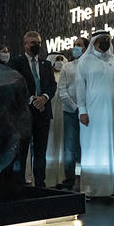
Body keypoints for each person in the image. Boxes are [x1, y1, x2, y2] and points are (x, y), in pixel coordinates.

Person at [76, 30, 114, 199]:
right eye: (102, 39)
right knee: (92, 148)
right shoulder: (85, 61)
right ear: (95, 41)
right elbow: (80, 88)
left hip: (112, 114)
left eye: (107, 39)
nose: (105, 42)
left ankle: (110, 189)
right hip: (92, 113)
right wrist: (82, 111)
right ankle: (89, 190)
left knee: (110, 148)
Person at [11, 31, 56, 187]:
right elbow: (16, 85)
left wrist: (44, 97)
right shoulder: (16, 63)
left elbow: (52, 85)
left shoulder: (46, 64)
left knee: (40, 151)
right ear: (25, 44)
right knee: (22, 150)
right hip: (25, 113)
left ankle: (40, 183)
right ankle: (19, 184)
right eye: (32, 43)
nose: (36, 45)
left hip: (43, 112)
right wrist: (31, 99)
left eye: (38, 42)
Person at [57, 37, 89, 190]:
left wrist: (85, 109)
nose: (75, 48)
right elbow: (62, 91)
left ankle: (88, 181)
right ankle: (69, 181)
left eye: (79, 45)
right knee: (69, 149)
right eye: (74, 45)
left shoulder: (91, 66)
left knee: (88, 148)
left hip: (89, 114)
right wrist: (76, 108)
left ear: (86, 48)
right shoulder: (67, 67)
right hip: (70, 113)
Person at [45, 52, 68, 187]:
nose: (59, 62)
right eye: (56, 60)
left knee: (60, 145)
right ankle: (47, 177)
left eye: (61, 59)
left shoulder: (66, 76)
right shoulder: (47, 76)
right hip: (49, 113)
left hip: (63, 115)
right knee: (48, 143)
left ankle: (60, 177)